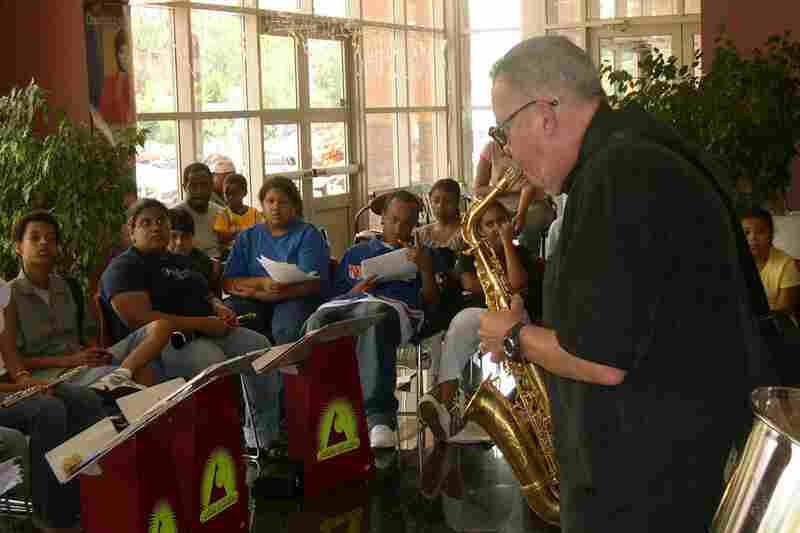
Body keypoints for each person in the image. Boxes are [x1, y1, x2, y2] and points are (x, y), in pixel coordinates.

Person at [477, 36, 773, 532]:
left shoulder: (616, 175)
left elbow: (601, 358)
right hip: (671, 464)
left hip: (642, 486)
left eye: (503, 132)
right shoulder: (636, 152)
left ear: (544, 114)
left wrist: (513, 337)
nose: (506, 154)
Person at [101, 198, 280, 445]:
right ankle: (216, 445)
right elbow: (140, 320)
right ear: (132, 231)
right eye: (146, 223)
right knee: (211, 361)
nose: (155, 227)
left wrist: (218, 307)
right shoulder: (124, 267)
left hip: (207, 328)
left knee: (261, 348)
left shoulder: (178, 259)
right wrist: (202, 323)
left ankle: (263, 438)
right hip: (162, 344)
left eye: (161, 221)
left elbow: (204, 292)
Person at [304, 191, 439, 449]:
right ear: (382, 220)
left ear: (415, 224)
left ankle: (378, 418)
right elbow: (337, 293)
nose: (399, 227)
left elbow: (431, 300)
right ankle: (323, 408)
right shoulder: (358, 253)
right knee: (318, 320)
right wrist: (358, 289)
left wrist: (424, 268)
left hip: (394, 307)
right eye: (394, 220)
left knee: (372, 317)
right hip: (351, 302)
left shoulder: (422, 254)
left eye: (407, 222)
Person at [419, 200, 541, 441]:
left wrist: (507, 243)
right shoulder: (471, 252)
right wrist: (500, 285)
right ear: (480, 230)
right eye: (490, 224)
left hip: (514, 315)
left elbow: (517, 284)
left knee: (521, 329)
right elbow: (469, 283)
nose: (496, 228)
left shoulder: (520, 252)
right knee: (458, 328)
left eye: (501, 222)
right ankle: (444, 403)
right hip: (480, 312)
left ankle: (523, 406)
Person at [0, 278, 106, 533]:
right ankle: (51, 519)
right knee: (48, 410)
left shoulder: (1, 288)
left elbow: (9, 353)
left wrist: (24, 380)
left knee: (83, 399)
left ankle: (91, 502)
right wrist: (19, 389)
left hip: (8, 383)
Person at [4, 210, 146, 391]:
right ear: (18, 247)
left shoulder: (69, 286)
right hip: (51, 374)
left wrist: (95, 351)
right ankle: (124, 383)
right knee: (130, 374)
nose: (43, 243)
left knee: (157, 331)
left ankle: (122, 379)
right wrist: (68, 360)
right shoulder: (7, 296)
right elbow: (12, 359)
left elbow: (87, 335)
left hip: (84, 363)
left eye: (50, 238)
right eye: (35, 238)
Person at [222, 177, 329, 345]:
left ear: (294, 206)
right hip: (254, 298)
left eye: (283, 202)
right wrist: (262, 285)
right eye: (270, 201)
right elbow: (228, 282)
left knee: (286, 329)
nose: (275, 207)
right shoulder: (248, 236)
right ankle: (246, 369)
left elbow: (313, 283)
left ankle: (289, 370)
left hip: (295, 298)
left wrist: (271, 294)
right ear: (262, 205)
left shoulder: (307, 234)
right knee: (229, 315)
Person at [474, 140, 554, 250]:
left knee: (527, 224)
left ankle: (526, 261)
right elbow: (478, 190)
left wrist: (521, 214)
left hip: (534, 204)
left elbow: (528, 187)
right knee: (485, 225)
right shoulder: (491, 148)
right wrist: (506, 189)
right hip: (501, 208)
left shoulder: (528, 146)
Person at [741, 206, 800, 314]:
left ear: (771, 234)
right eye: (746, 233)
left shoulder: (786, 264)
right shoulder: (734, 261)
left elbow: (784, 310)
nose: (753, 238)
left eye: (760, 231)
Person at [176, 163, 223, 258]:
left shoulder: (221, 213)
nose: (199, 191)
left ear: (211, 186)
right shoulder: (174, 215)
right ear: (184, 187)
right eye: (193, 186)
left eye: (204, 185)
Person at [213, 173, 264, 258]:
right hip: (231, 252)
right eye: (227, 193)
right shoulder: (224, 214)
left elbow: (262, 231)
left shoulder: (254, 213)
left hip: (252, 250)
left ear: (244, 193)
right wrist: (237, 232)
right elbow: (221, 238)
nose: (230, 197)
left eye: (235, 193)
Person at [415, 179, 464, 253]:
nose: (440, 206)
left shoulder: (466, 233)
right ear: (430, 201)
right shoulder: (421, 234)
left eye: (448, 201)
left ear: (457, 202)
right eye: (436, 201)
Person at [167, 207, 214, 283]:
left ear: (193, 237)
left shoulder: (203, 262)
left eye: (185, 236)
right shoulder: (156, 262)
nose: (179, 242)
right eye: (173, 236)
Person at [99, 28, 133, 125]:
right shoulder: (108, 82)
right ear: (116, 54)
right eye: (122, 52)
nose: (125, 57)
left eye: (128, 52)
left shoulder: (136, 83)